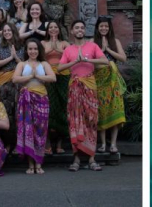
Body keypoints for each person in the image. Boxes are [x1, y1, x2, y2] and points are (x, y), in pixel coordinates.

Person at [58, 20, 110, 172]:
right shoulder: (69, 49)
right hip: (74, 88)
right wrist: (75, 61)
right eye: (77, 28)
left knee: (91, 121)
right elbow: (60, 68)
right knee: (75, 122)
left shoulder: (93, 46)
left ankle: (92, 159)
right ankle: (76, 159)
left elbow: (105, 61)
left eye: (82, 27)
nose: (79, 30)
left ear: (84, 30)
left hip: (90, 87)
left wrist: (86, 60)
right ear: (72, 32)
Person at [13, 38, 56, 175]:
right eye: (30, 49)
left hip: (41, 99)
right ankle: (30, 164)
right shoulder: (22, 64)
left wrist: (37, 75)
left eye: (35, 49)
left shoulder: (43, 63)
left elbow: (53, 78)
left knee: (40, 131)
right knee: (28, 130)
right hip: (26, 99)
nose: (33, 51)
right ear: (26, 50)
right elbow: (15, 79)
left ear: (39, 51)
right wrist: (30, 76)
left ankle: (38, 163)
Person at [93, 16, 127, 154]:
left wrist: (108, 49)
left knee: (115, 109)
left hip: (113, 80)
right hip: (99, 80)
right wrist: (100, 49)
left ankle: (113, 144)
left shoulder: (115, 41)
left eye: (106, 26)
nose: (104, 28)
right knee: (101, 111)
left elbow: (123, 58)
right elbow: (88, 61)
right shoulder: (92, 42)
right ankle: (102, 144)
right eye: (101, 26)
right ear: (97, 27)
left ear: (109, 28)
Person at [0, 22, 23, 153]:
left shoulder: (21, 46)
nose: (7, 32)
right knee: (5, 114)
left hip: (18, 81)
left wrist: (16, 57)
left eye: (9, 30)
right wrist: (11, 57)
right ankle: (7, 143)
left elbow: (26, 64)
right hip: (3, 84)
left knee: (18, 113)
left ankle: (18, 144)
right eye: (5, 31)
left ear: (14, 31)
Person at [42, 20, 70, 155]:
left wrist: (57, 48)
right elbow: (41, 56)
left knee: (62, 107)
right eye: (50, 27)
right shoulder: (43, 43)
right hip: (48, 76)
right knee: (49, 108)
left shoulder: (65, 44)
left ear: (59, 30)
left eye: (55, 27)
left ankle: (59, 143)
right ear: (47, 30)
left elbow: (70, 56)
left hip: (63, 76)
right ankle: (47, 142)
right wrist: (50, 47)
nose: (53, 29)